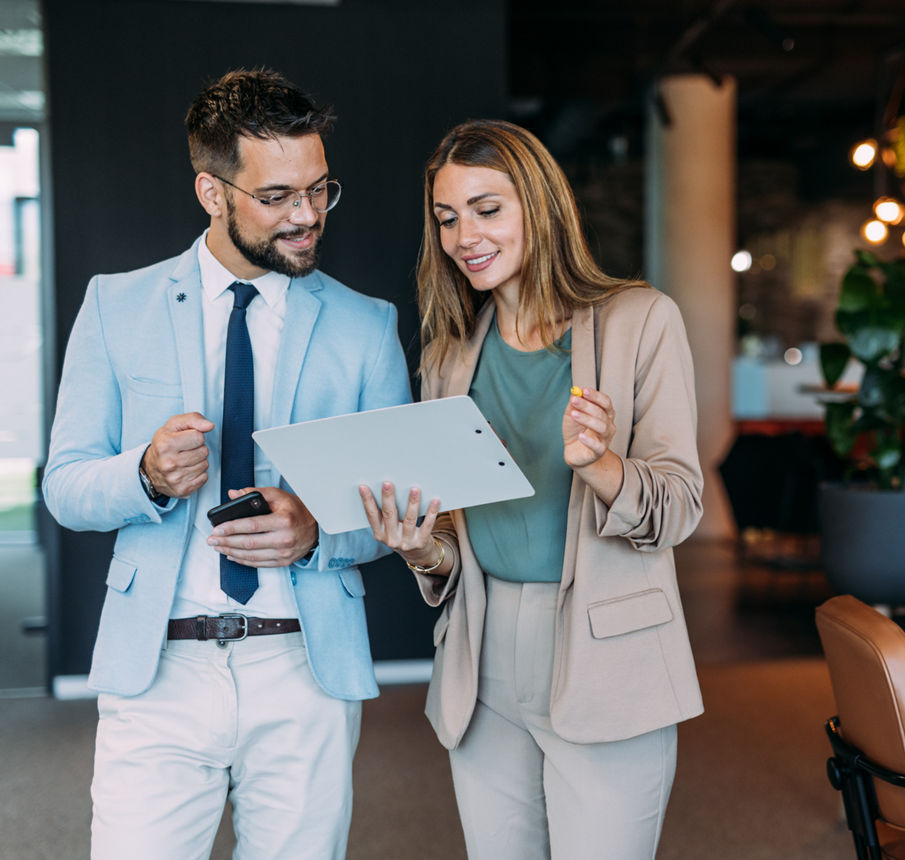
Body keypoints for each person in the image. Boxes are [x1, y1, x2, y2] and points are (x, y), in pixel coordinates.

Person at [42, 68, 411, 860]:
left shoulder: (367, 327)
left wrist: (317, 531)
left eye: (319, 190)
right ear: (212, 193)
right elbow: (65, 486)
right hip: (158, 671)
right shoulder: (116, 306)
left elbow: (396, 512)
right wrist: (143, 474)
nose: (306, 215)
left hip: (303, 668)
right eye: (277, 196)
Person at [358, 119, 704, 859]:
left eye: (487, 209)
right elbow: (455, 539)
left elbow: (679, 506)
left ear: (539, 207)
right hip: (483, 654)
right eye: (447, 218)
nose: (463, 236)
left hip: (607, 652)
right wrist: (422, 549)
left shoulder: (641, 321)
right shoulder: (449, 356)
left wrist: (601, 464)